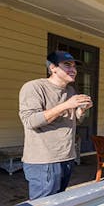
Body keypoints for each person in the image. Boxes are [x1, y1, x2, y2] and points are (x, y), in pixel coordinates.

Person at [19, 50, 93, 200]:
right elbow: (30, 121)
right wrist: (66, 105)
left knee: (59, 201)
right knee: (43, 203)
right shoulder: (34, 87)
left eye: (74, 66)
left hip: (67, 156)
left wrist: (81, 110)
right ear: (53, 68)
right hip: (44, 161)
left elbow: (75, 119)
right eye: (67, 65)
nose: (73, 70)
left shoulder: (70, 91)